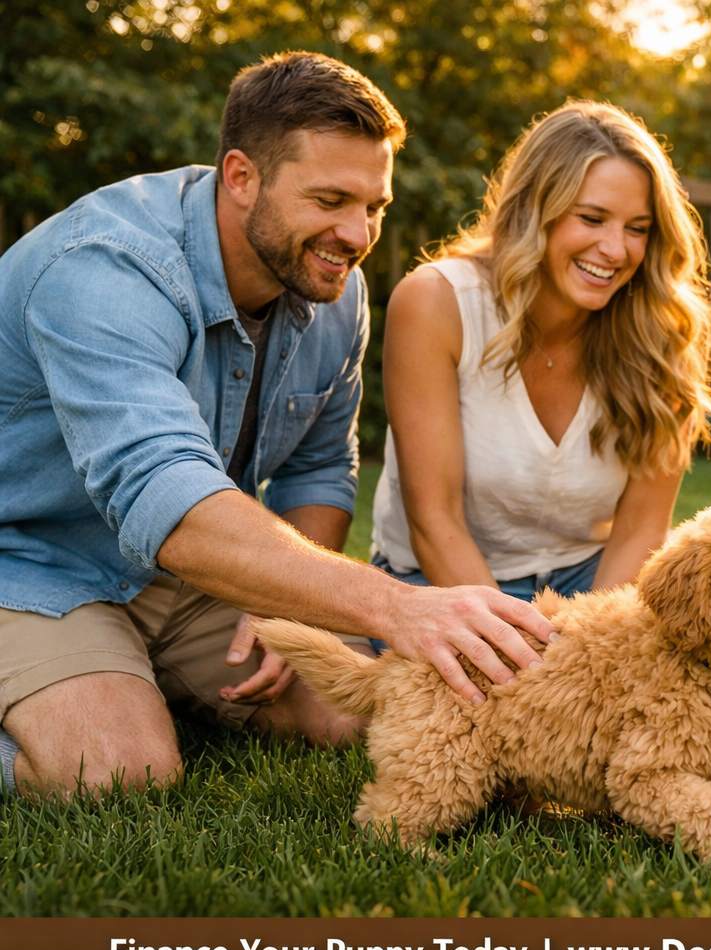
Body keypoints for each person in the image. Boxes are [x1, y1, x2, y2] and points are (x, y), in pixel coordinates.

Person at [0, 52, 553, 801]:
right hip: (33, 561)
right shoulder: (106, 269)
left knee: (345, 712)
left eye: (374, 207)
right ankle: (91, 685)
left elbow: (320, 469)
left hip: (185, 575)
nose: (357, 235)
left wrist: (288, 605)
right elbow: (166, 501)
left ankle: (124, 672)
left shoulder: (335, 288)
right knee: (118, 771)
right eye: (330, 199)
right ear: (240, 177)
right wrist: (392, 605)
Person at [370, 101, 711, 600]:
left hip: (594, 584)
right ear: (534, 210)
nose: (616, 248)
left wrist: (590, 643)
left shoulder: (661, 331)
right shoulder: (436, 302)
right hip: (441, 583)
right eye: (592, 217)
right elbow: (435, 520)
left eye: (637, 228)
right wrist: (520, 647)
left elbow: (641, 530)